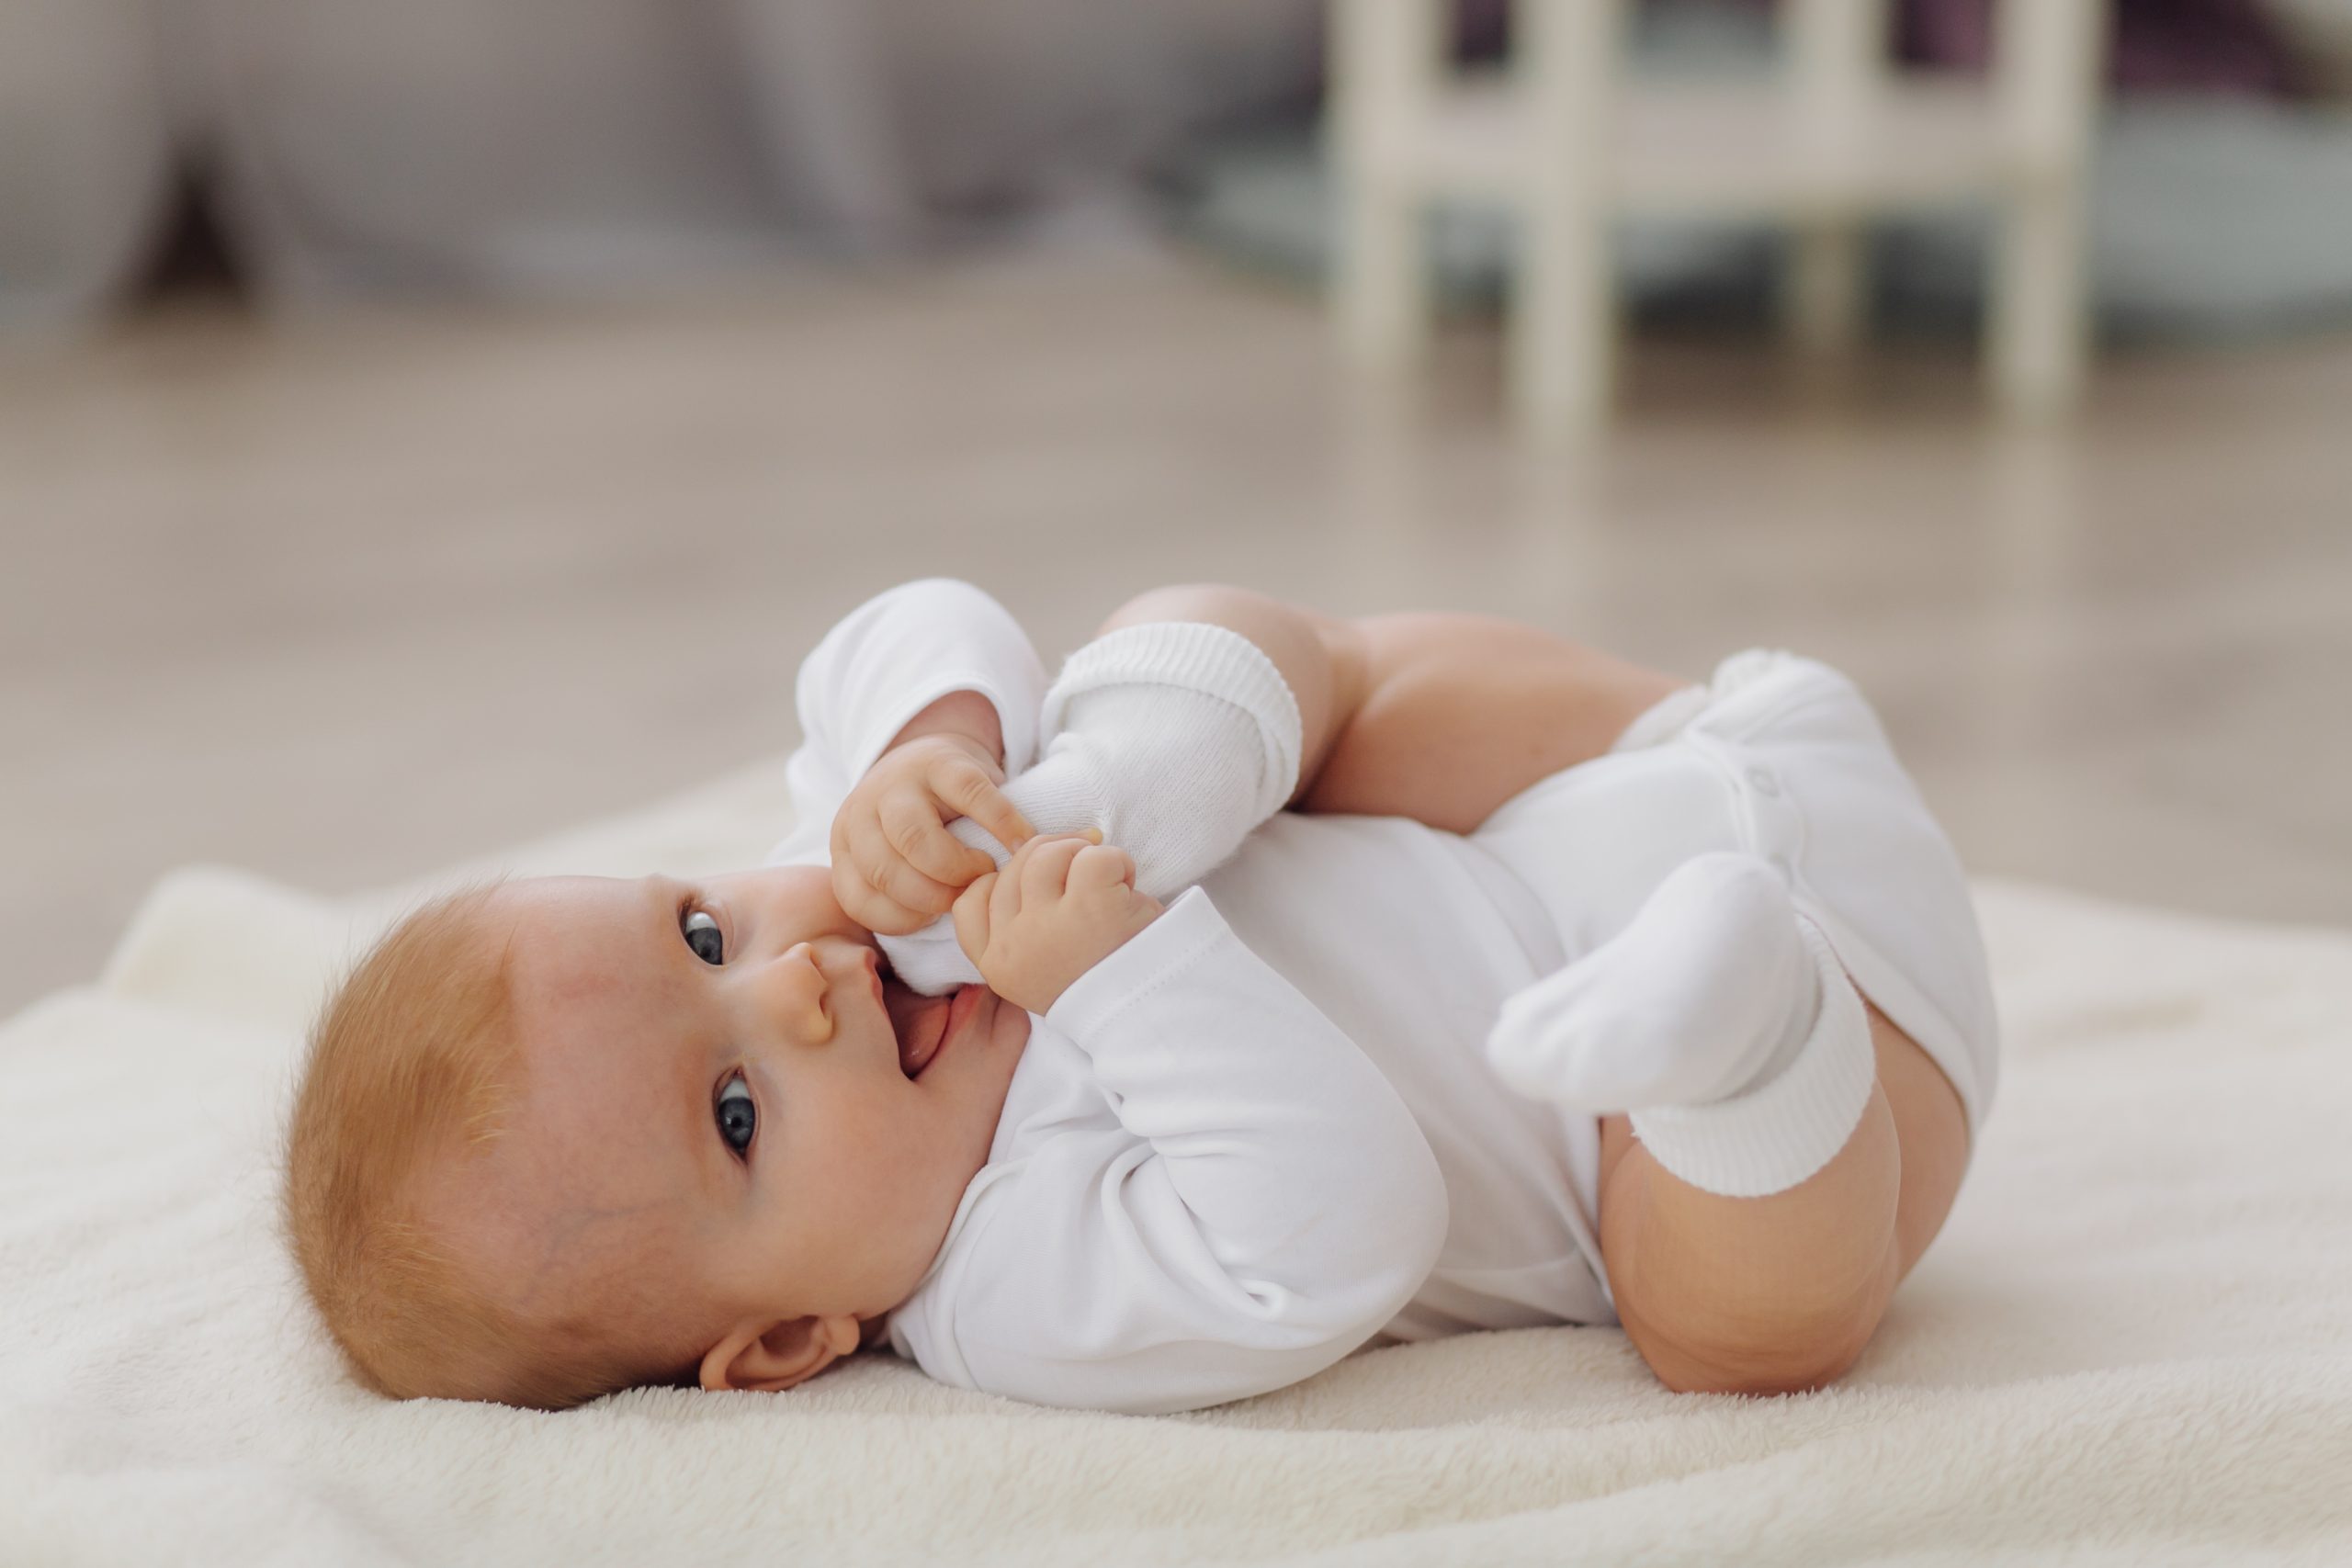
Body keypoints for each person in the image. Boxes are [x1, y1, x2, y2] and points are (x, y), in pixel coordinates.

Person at [282, 580, 1993, 1414]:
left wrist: (935, 745)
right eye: (736, 1115)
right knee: (1727, 1331)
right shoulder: (1008, 1286)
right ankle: (1741, 1028)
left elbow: (913, 621)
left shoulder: (867, 862)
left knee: (1301, 683)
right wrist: (1121, 977)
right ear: (794, 1338)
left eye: (699, 935)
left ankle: (1173, 751)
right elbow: (1346, 1231)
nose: (797, 982)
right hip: (1815, 1081)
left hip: (1623, 770)